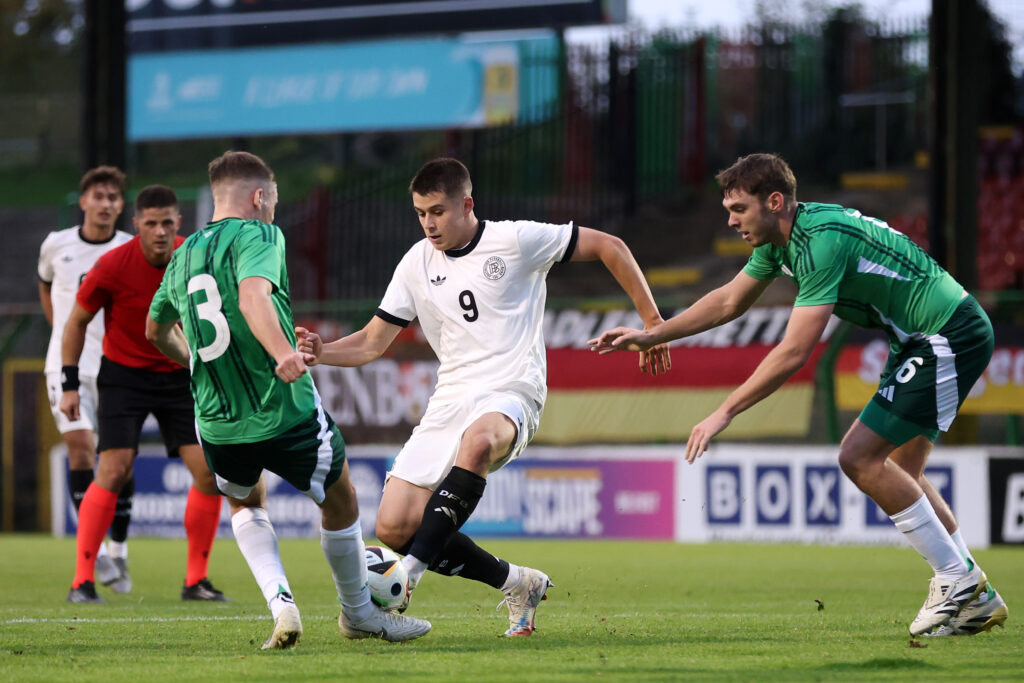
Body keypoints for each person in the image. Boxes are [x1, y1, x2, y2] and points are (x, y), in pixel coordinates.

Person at [589, 152, 1008, 638]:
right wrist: (653, 334)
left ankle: (957, 580)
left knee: (858, 457)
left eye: (739, 209)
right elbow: (727, 301)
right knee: (902, 473)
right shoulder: (782, 241)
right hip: (920, 337)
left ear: (774, 201)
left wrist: (722, 412)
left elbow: (794, 352)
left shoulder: (820, 243)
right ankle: (976, 595)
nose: (730, 221)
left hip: (947, 333)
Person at [297, 157, 671, 637]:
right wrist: (324, 351)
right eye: (419, 213)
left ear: (466, 204)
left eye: (437, 211)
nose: (429, 223)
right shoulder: (415, 263)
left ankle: (406, 577)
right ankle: (517, 582)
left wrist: (655, 324)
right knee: (393, 525)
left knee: (477, 443)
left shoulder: (515, 241)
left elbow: (609, 245)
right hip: (451, 397)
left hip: (514, 388)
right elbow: (372, 342)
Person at [146, 151, 431, 649]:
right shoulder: (260, 235)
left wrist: (194, 358)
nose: (274, 210)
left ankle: (282, 607)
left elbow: (153, 328)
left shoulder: (183, 254)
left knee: (244, 501)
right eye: (273, 201)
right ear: (259, 197)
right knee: (339, 497)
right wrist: (282, 352)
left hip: (217, 420)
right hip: (282, 406)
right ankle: (359, 614)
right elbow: (254, 296)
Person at [62, 185, 228, 604]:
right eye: (150, 223)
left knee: (209, 475)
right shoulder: (113, 265)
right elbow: (76, 322)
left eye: (167, 222)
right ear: (136, 225)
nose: (159, 231)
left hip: (182, 375)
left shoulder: (196, 257)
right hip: (124, 376)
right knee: (113, 470)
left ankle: (196, 581)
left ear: (179, 223)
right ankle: (82, 581)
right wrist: (68, 384)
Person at [38, 166, 135, 593]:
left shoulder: (129, 248)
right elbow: (47, 288)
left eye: (114, 197)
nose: (106, 203)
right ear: (83, 202)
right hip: (68, 368)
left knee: (119, 460)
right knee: (81, 451)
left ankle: (119, 550)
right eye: (98, 195)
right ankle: (93, 556)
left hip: (116, 367)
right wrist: (64, 336)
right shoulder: (55, 246)